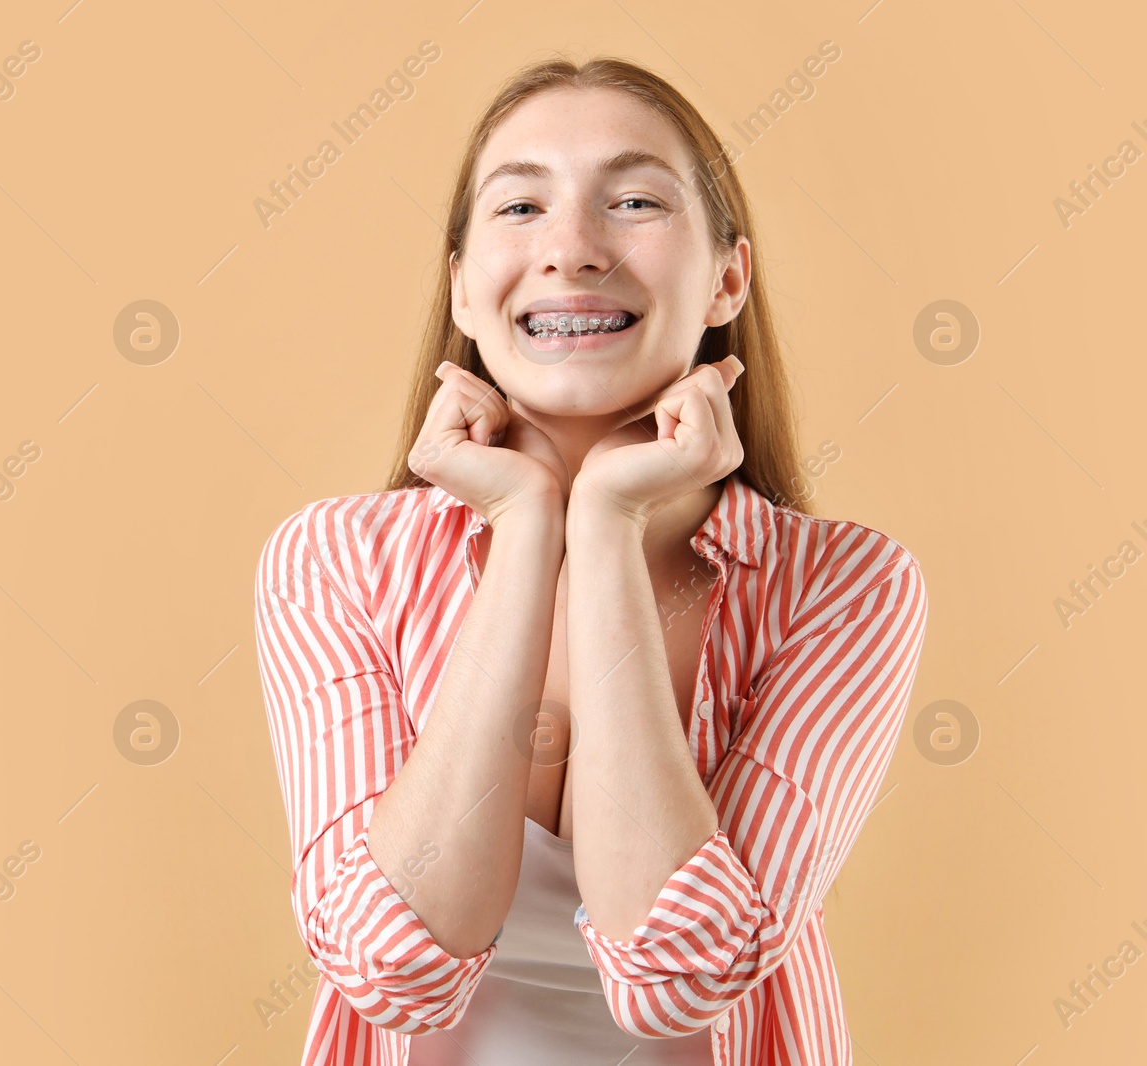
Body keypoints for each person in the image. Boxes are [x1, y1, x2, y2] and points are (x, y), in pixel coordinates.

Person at [254, 55, 929, 1066]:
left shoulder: (843, 586)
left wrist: (606, 527)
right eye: (520, 205)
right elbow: (391, 965)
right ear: (463, 291)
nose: (570, 249)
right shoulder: (334, 560)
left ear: (725, 280)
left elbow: (678, 979)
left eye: (633, 200)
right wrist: (528, 529)